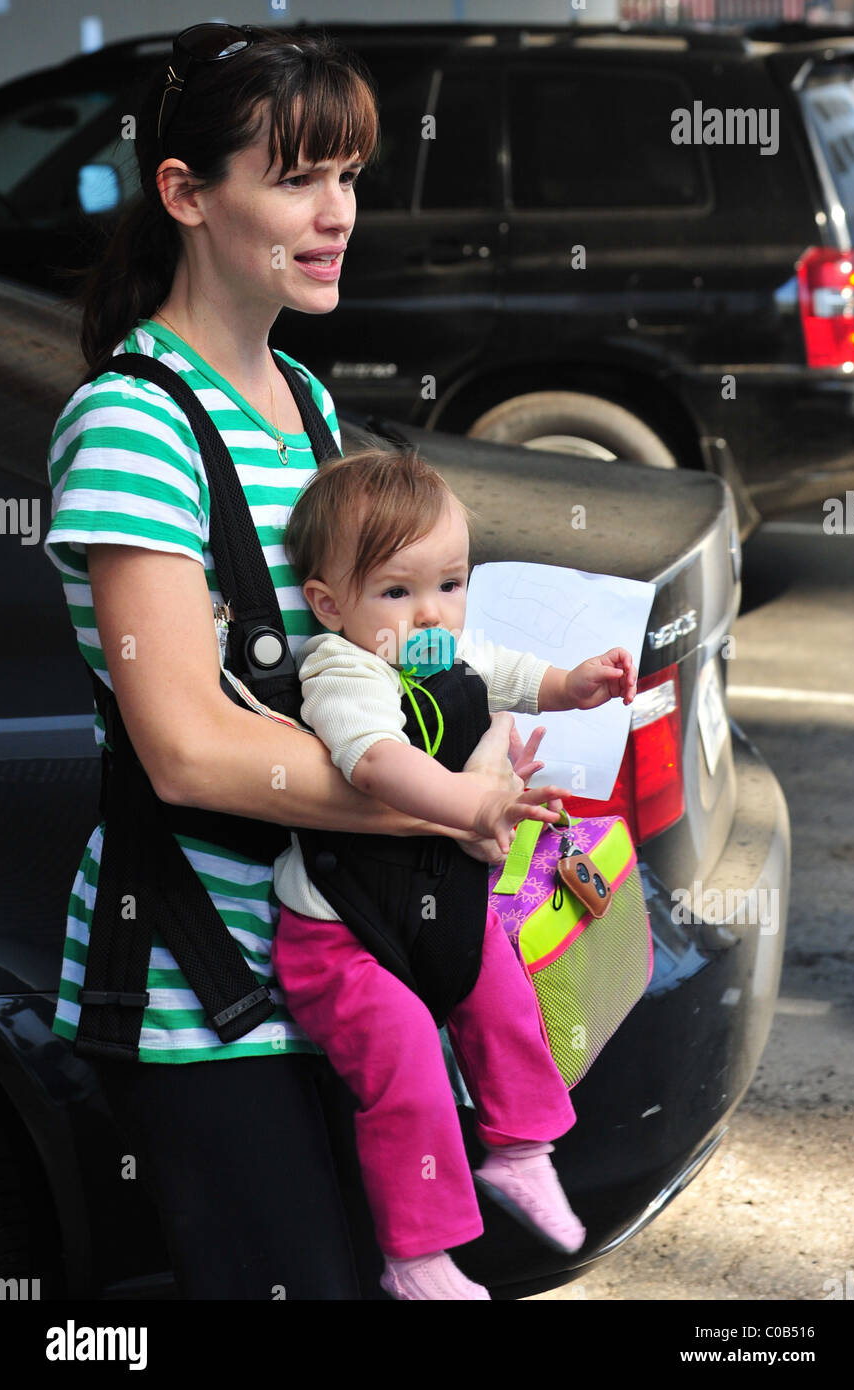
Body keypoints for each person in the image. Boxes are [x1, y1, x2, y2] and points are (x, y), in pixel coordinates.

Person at [42, 23, 552, 1301]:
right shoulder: (130, 424)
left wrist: (481, 750)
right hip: (202, 989)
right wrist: (442, 807)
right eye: (298, 179)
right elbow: (185, 745)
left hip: (341, 953)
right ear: (185, 194)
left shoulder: (306, 405)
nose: (339, 215)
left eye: (351, 176)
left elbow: (387, 659)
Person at [268, 445, 638, 1300]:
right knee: (406, 1067)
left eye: (451, 582)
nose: (430, 611)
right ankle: (417, 1257)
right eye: (396, 591)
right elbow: (373, 761)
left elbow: (501, 672)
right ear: (328, 604)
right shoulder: (342, 670)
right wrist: (473, 803)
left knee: (506, 999)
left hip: (437, 905)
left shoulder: (435, 646)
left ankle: (519, 1149)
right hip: (343, 938)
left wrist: (569, 684)